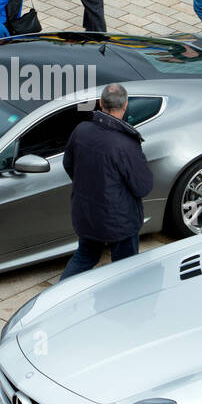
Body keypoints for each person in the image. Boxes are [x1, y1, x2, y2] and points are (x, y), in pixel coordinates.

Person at [59, 83, 154, 280]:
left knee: (84, 257)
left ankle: (57, 298)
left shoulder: (81, 130)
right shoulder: (126, 144)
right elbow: (143, 186)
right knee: (124, 271)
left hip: (86, 214)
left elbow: (68, 164)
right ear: (125, 105)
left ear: (100, 102)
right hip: (119, 221)